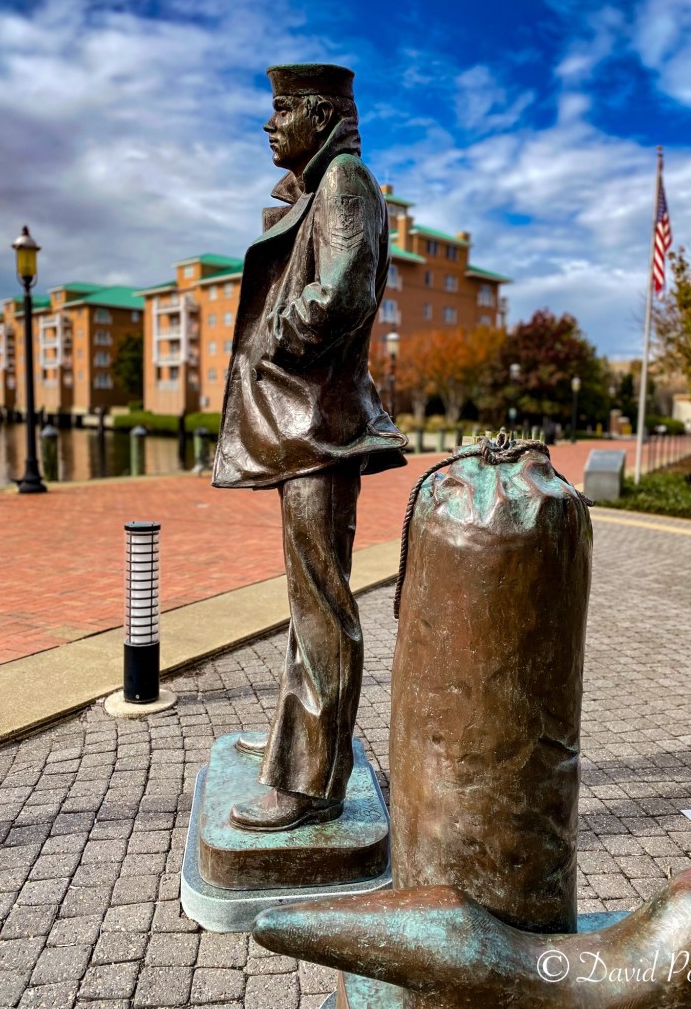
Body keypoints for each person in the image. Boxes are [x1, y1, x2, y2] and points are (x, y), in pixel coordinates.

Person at [212, 63, 407, 831]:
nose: (270, 123)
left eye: (283, 108)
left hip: (320, 428)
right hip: (307, 429)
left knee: (323, 606)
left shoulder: (345, 183)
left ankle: (310, 781)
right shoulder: (321, 189)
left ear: (322, 116)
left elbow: (348, 286)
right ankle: (302, 746)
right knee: (308, 601)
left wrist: (275, 338)